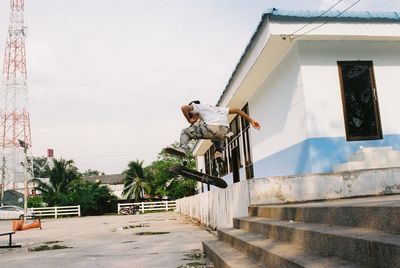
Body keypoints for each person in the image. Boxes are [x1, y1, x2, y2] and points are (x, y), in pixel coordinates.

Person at [166, 100, 261, 160]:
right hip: (226, 131)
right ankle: (218, 154)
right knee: (215, 138)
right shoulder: (217, 109)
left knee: (185, 132)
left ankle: (183, 148)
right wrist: (252, 121)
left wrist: (189, 120)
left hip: (213, 128)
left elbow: (183, 108)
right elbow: (237, 110)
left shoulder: (197, 106)